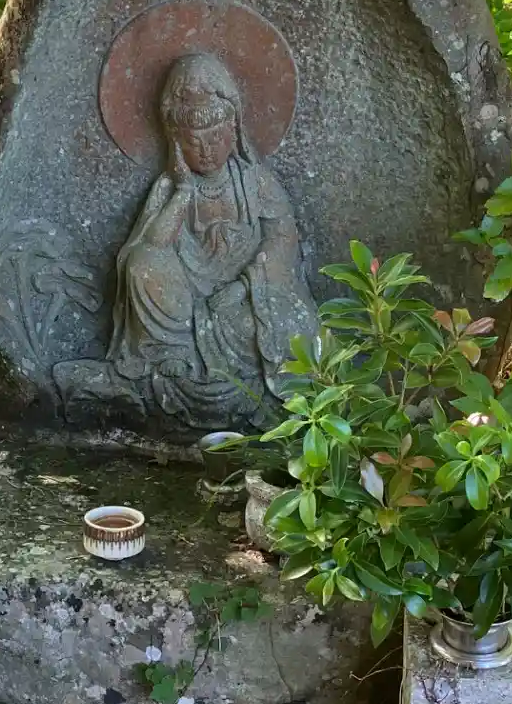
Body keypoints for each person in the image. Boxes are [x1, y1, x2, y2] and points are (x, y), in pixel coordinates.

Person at [56, 50, 317, 428]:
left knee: (280, 330)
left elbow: (282, 240)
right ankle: (171, 357)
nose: (207, 151)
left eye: (215, 138)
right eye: (194, 142)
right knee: (142, 266)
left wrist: (243, 288)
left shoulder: (254, 182)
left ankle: (229, 374)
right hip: (182, 311)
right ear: (176, 142)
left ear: (233, 131)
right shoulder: (171, 186)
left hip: (246, 299)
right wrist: (182, 192)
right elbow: (150, 250)